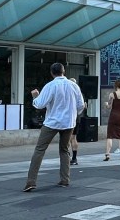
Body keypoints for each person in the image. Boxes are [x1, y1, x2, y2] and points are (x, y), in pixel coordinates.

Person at [23, 62, 85, 192]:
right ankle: (65, 179)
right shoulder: (74, 86)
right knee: (64, 150)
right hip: (68, 123)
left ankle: (31, 182)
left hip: (52, 122)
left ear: (52, 73)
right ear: (64, 72)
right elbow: (80, 105)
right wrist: (73, 115)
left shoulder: (50, 86)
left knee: (40, 150)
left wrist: (35, 97)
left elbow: (39, 104)